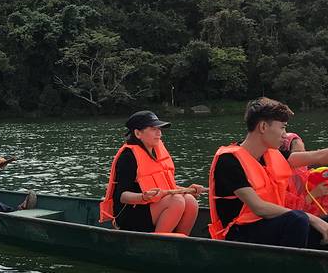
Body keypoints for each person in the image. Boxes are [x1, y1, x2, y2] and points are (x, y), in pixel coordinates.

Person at [208, 97, 328, 248]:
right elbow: (258, 207)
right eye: (282, 127)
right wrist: (312, 218)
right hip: (239, 234)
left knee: (317, 221)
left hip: (272, 225)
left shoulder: (273, 155)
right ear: (263, 127)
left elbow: (318, 157)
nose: (285, 134)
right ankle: (286, 262)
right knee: (299, 219)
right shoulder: (228, 160)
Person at [100, 110, 206, 234]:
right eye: (153, 129)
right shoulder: (128, 156)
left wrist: (187, 189)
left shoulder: (156, 152)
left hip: (151, 208)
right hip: (129, 215)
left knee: (190, 201)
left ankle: (180, 240)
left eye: (159, 129)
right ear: (138, 133)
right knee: (177, 201)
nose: (159, 133)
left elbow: (164, 187)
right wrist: (143, 197)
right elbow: (122, 196)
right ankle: (156, 242)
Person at [281, 132, 328, 215]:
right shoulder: (281, 179)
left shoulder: (305, 171)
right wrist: (314, 193)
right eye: (297, 152)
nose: (302, 155)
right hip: (300, 218)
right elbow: (291, 211)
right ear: (286, 154)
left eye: (303, 152)